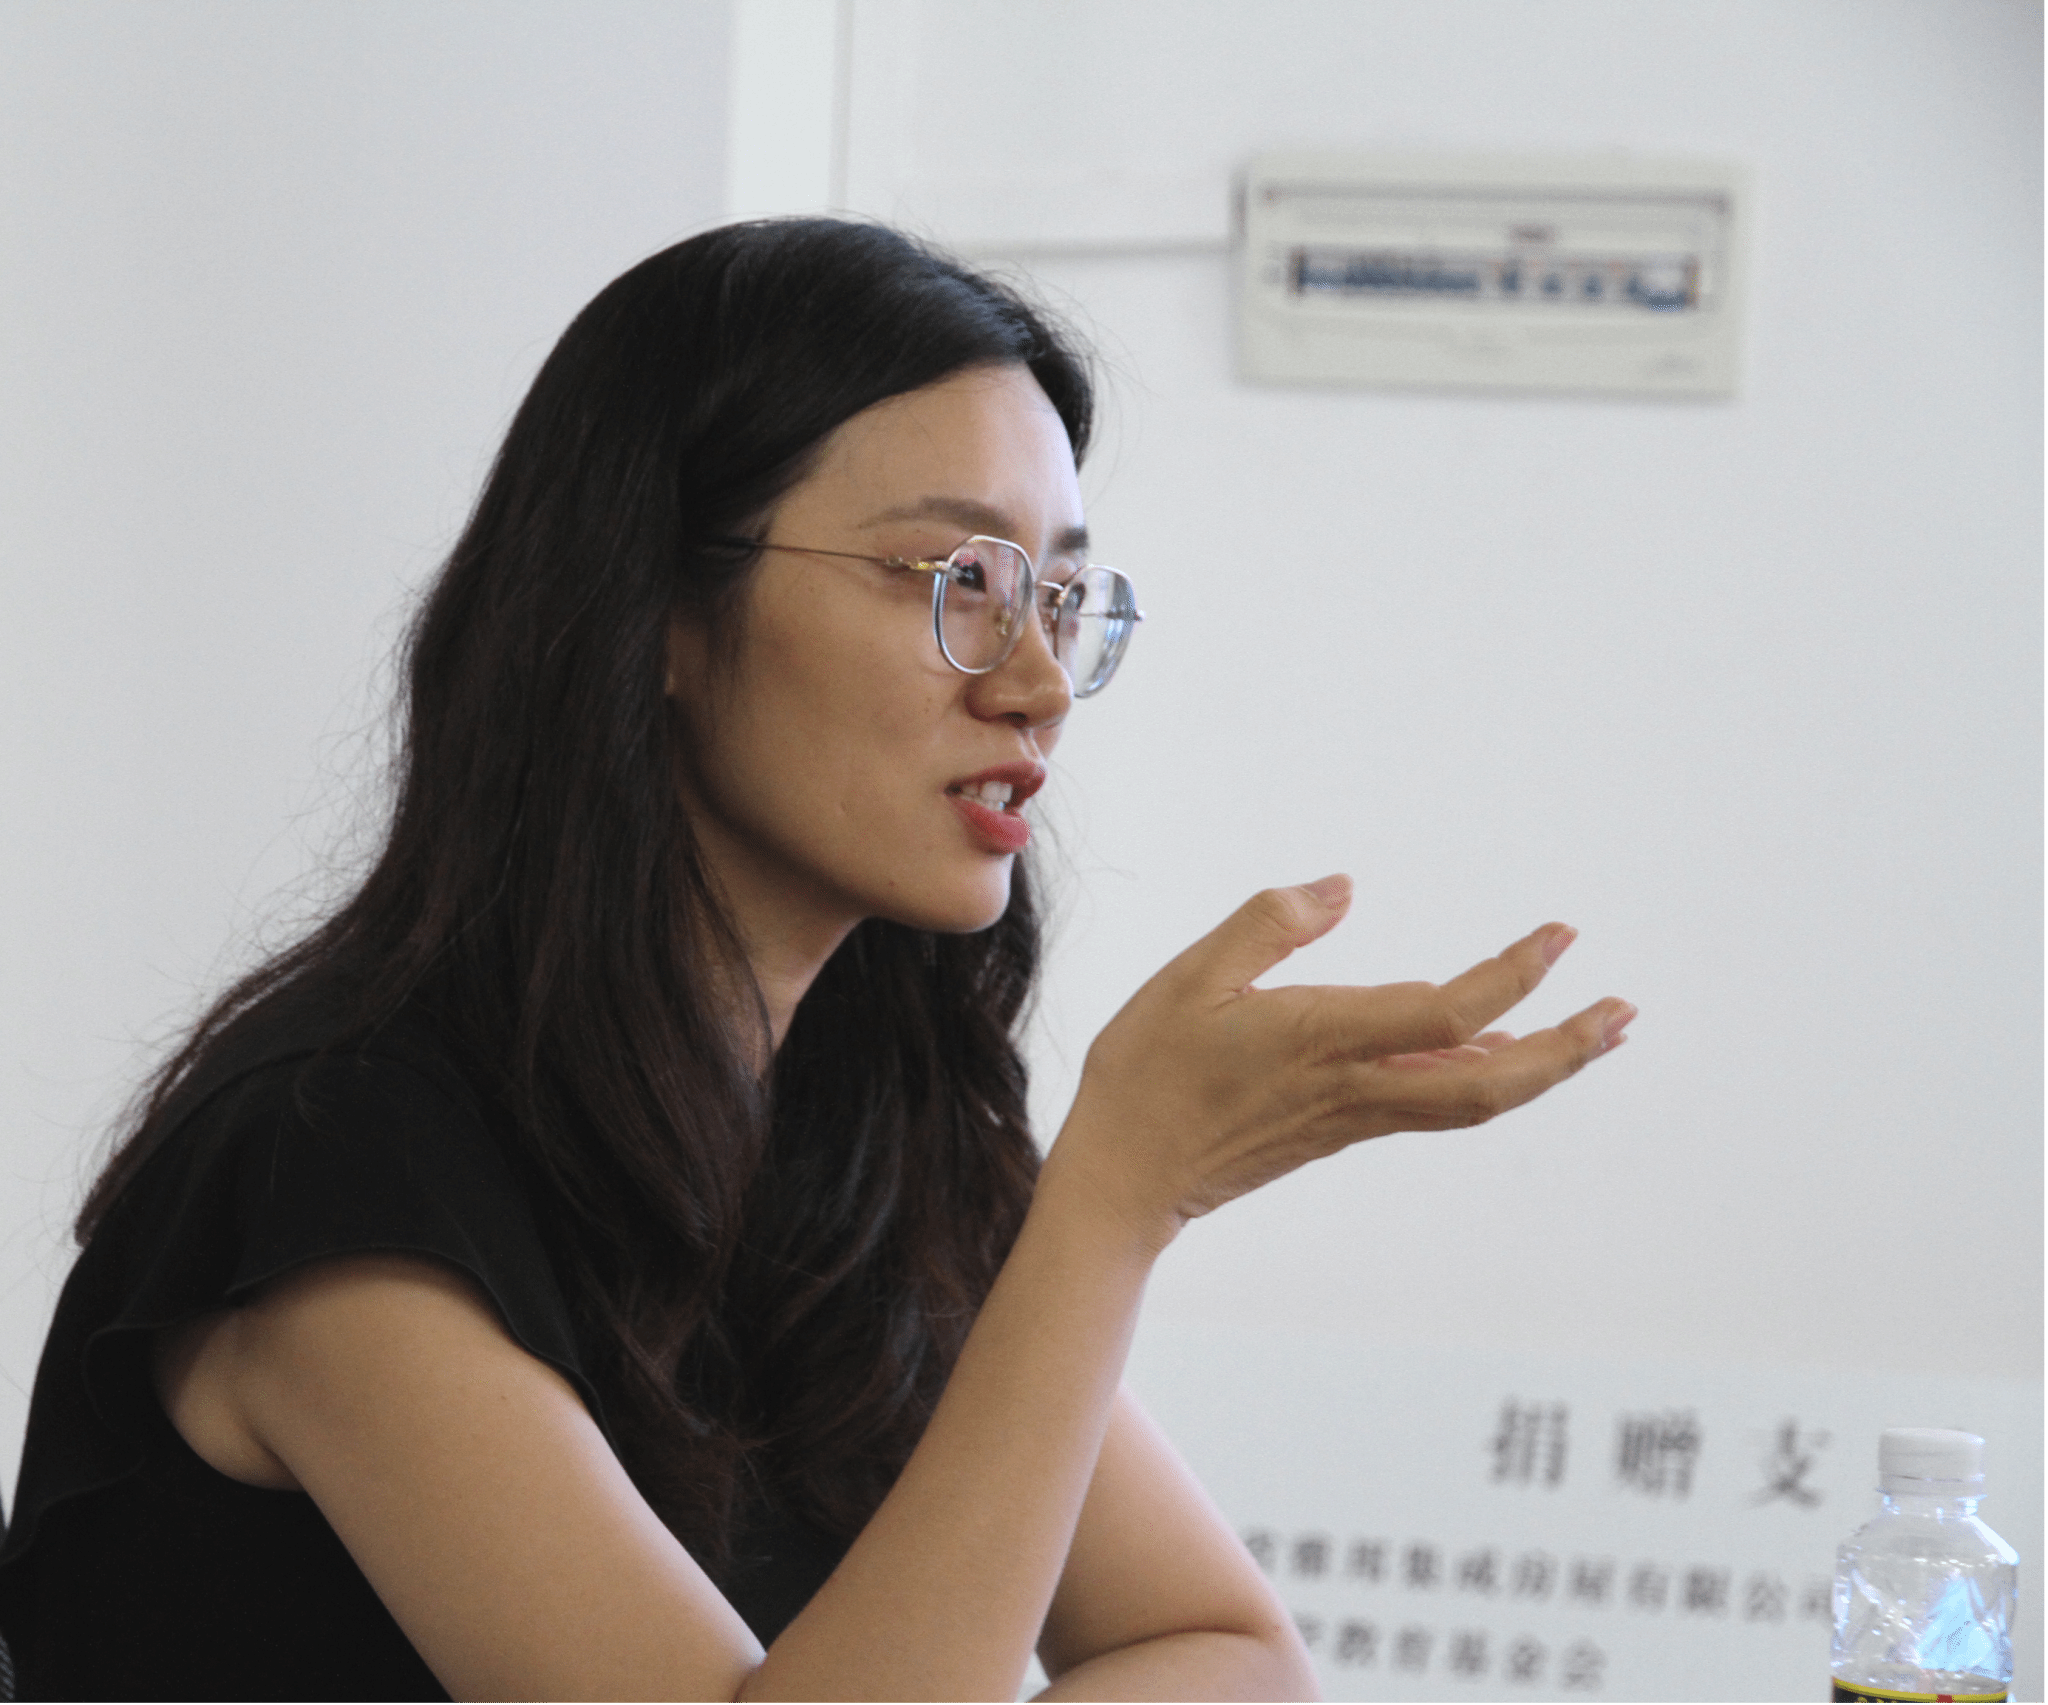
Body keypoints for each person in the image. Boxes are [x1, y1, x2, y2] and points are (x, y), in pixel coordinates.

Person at [0, 218, 1634, 1703]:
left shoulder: (859, 1124)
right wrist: (1117, 1201)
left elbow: (1226, 1653)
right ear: (654, 609)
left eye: (1063, 594)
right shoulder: (337, 1173)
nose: (1035, 682)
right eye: (961, 581)